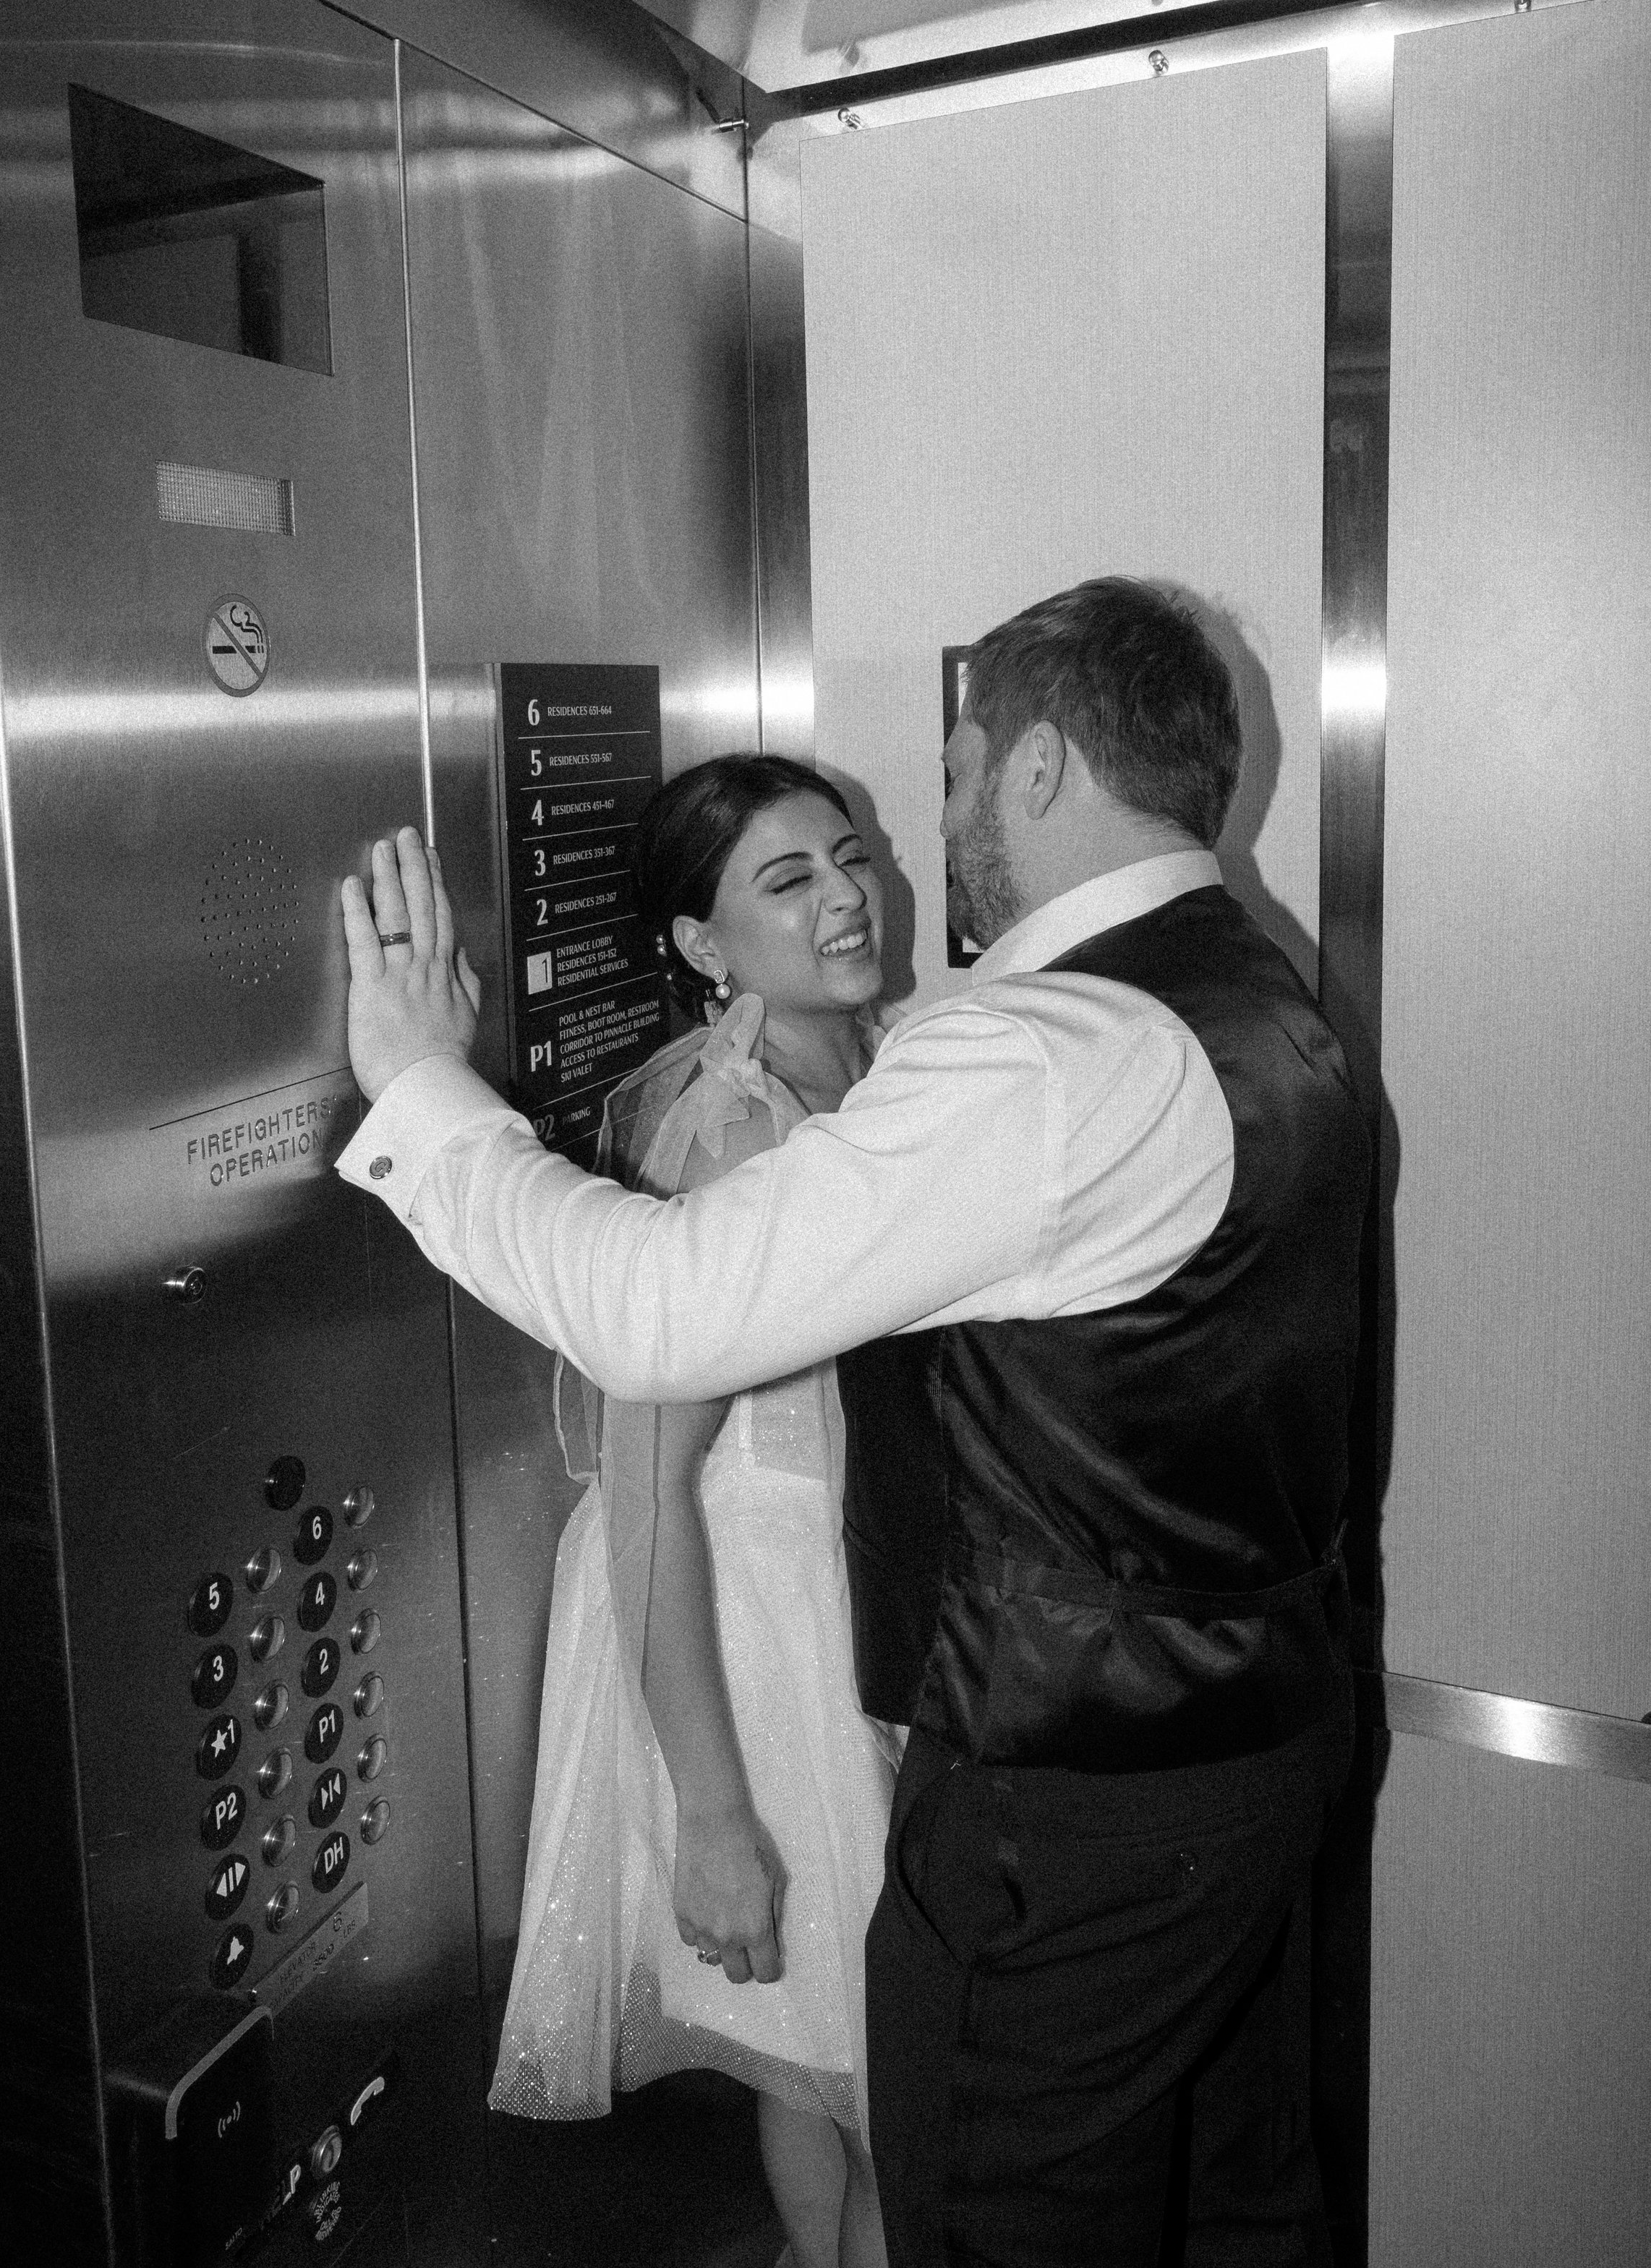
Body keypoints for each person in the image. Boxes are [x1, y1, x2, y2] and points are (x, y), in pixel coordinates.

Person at [338, 577, 1370, 2268]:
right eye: (790, 869)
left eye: (952, 775)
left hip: (1072, 1800)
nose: (922, 835)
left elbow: (657, 1305)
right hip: (1237, 1743)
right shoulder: (1252, 994)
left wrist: (419, 1090)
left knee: (994, 2212)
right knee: (1216, 2201)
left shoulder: (1034, 1054)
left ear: (1034, 770)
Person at [488, 756, 895, 2268]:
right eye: (785, 882)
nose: (844, 896)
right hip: (742, 1625)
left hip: (819, 1590)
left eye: (846, 857)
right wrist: (713, 1815)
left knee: (822, 2058)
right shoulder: (728, 1126)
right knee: (901, 2098)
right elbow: (646, 1481)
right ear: (701, 948)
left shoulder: (863, 1071)